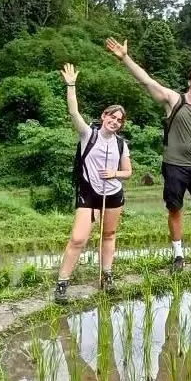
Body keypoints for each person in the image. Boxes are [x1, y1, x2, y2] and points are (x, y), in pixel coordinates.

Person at [103, 37, 191, 272]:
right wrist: (125, 58)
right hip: (174, 165)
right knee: (175, 209)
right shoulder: (174, 99)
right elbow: (146, 81)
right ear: (190, 80)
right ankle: (178, 257)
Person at [54, 63, 133, 303]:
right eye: (112, 116)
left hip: (114, 194)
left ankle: (107, 276)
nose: (115, 121)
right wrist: (71, 85)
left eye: (119, 120)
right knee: (78, 238)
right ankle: (62, 284)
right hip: (89, 192)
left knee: (109, 234)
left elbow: (128, 172)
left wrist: (115, 174)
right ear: (104, 116)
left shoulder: (120, 144)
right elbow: (73, 112)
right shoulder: (89, 134)